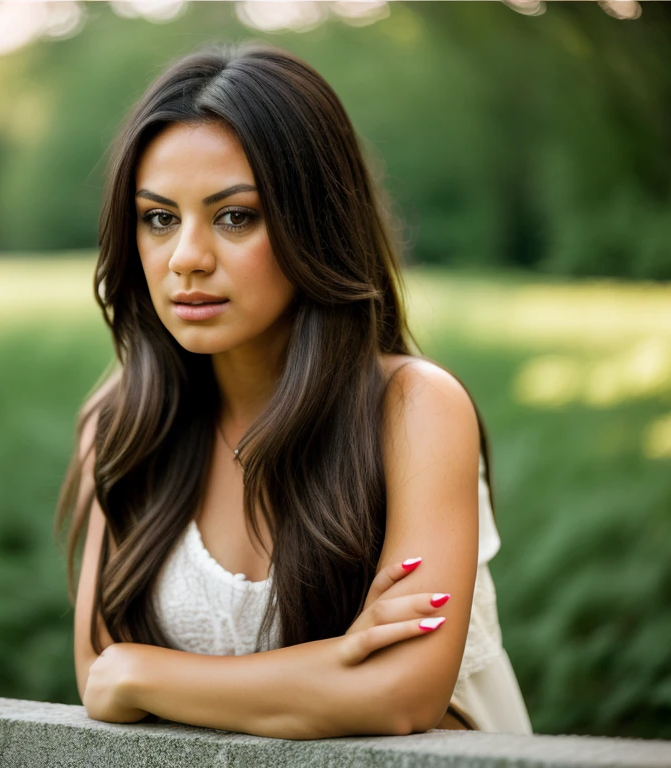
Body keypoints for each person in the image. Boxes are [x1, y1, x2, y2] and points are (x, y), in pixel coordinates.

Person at [55, 40, 532, 739]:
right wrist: (338, 663)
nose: (187, 257)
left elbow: (404, 697)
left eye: (235, 216)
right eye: (159, 218)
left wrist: (147, 674)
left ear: (315, 224)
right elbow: (97, 673)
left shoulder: (414, 410)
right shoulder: (123, 423)